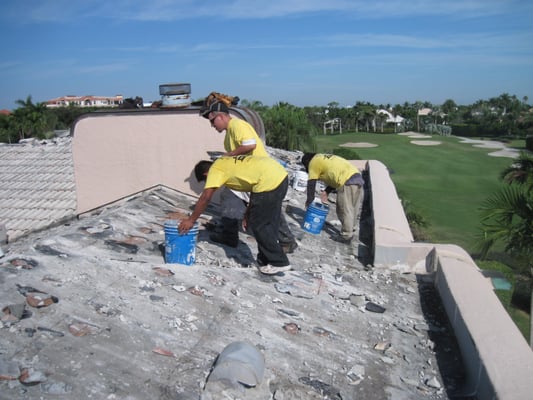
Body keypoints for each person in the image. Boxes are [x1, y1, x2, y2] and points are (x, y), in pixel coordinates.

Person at [200, 101, 297, 253]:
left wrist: (227, 156)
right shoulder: (230, 132)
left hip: (260, 175)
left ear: (221, 116)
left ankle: (231, 236)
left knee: (259, 206)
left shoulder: (237, 125)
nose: (212, 125)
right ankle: (285, 240)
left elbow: (250, 145)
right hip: (256, 175)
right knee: (264, 207)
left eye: (212, 121)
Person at [178, 156, 292, 275]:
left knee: (260, 225)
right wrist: (247, 213)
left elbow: (206, 197)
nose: (210, 184)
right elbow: (253, 187)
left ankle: (279, 262)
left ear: (206, 174)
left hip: (269, 181)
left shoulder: (215, 170)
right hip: (279, 176)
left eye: (206, 181)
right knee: (269, 222)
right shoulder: (225, 163)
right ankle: (265, 260)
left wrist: (191, 220)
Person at [301, 153, 364, 243]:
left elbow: (311, 183)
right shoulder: (322, 158)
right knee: (353, 208)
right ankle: (351, 229)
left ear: (307, 162)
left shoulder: (313, 162)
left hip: (347, 181)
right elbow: (334, 175)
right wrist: (326, 191)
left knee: (343, 209)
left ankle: (346, 236)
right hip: (357, 177)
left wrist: (309, 202)